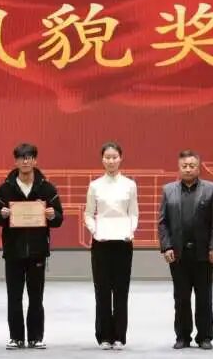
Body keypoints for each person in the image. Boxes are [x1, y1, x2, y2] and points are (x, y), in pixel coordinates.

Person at [0, 143, 64, 350]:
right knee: (14, 297)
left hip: (38, 252)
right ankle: (15, 337)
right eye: (21, 157)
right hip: (13, 252)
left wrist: (52, 215)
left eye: (29, 157)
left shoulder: (47, 188)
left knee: (36, 297)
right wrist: (1, 214)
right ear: (15, 161)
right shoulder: (5, 188)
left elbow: (59, 219)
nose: (25, 161)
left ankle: (36, 337)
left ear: (35, 160)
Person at [158, 150, 213, 350]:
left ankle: (204, 337)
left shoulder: (211, 190)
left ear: (198, 167)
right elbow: (163, 223)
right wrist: (166, 246)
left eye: (192, 166)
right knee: (181, 298)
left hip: (203, 254)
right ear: (179, 168)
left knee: (204, 297)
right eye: (184, 166)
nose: (188, 169)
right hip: (178, 254)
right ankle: (182, 336)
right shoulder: (168, 190)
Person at [84, 142, 139, 350]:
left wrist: (130, 231)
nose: (111, 161)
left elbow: (133, 213)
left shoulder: (129, 185)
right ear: (102, 160)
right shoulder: (95, 185)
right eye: (107, 157)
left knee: (121, 290)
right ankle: (104, 336)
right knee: (102, 290)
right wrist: (95, 231)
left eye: (114, 157)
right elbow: (89, 214)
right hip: (102, 242)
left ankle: (119, 336)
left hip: (123, 242)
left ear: (120, 158)